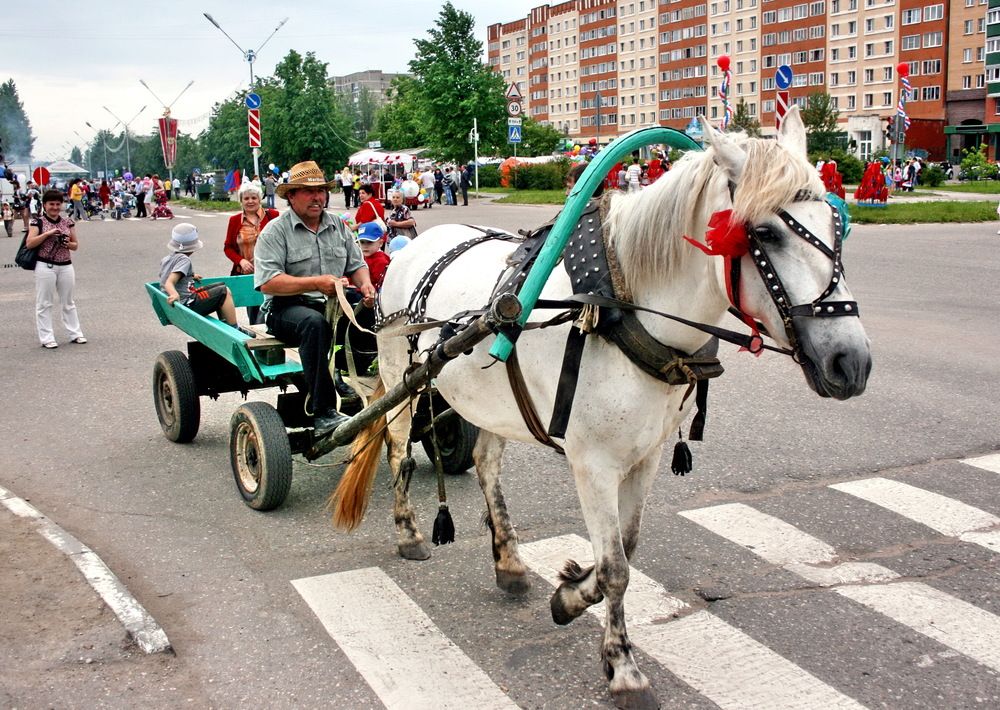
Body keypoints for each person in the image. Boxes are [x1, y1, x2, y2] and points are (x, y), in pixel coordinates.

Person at [253, 161, 375, 436]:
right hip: (288, 308)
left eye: (321, 191)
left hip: (336, 303)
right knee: (314, 323)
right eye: (309, 192)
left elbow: (356, 265)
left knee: (377, 314)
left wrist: (366, 286)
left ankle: (363, 383)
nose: (317, 197)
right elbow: (267, 282)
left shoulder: (339, 226)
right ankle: (323, 411)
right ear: (291, 196)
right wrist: (316, 284)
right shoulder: (275, 231)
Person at [25, 190, 87, 348]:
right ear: (44, 205)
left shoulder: (67, 222)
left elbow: (75, 245)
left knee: (68, 301)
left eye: (58, 204)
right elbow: (30, 243)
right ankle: (47, 337)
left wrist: (66, 243)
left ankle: (75, 333)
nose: (54, 207)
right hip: (45, 266)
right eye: (51, 204)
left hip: (65, 265)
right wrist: (48, 234)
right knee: (44, 303)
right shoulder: (37, 222)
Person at [160, 223, 238, 328]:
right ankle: (234, 328)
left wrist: (191, 275)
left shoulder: (168, 258)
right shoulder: (184, 259)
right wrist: (174, 294)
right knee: (224, 291)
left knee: (221, 286)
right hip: (187, 304)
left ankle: (227, 324)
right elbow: (169, 282)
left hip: (183, 303)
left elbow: (169, 274)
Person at [225, 183, 279, 324]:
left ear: (259, 199)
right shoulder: (235, 220)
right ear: (241, 201)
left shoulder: (273, 216)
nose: (250, 201)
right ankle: (258, 343)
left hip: (272, 273)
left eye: (254, 198)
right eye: (246, 198)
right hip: (248, 275)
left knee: (275, 309)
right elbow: (228, 247)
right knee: (255, 314)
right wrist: (240, 261)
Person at [357, 221, 391, 289]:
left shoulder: (381, 261)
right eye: (362, 242)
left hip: (369, 294)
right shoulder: (362, 256)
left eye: (369, 242)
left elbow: (380, 286)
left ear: (380, 243)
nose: (365, 246)